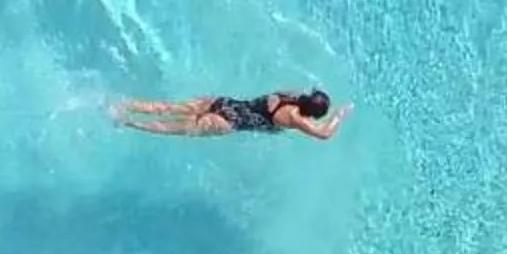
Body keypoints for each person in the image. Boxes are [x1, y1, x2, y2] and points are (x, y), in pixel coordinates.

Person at [111, 88, 348, 141]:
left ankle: (122, 104)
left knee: (168, 108)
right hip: (229, 121)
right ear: (312, 114)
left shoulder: (289, 95)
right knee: (175, 128)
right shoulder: (295, 119)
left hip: (224, 102)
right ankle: (128, 122)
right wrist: (340, 115)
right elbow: (324, 134)